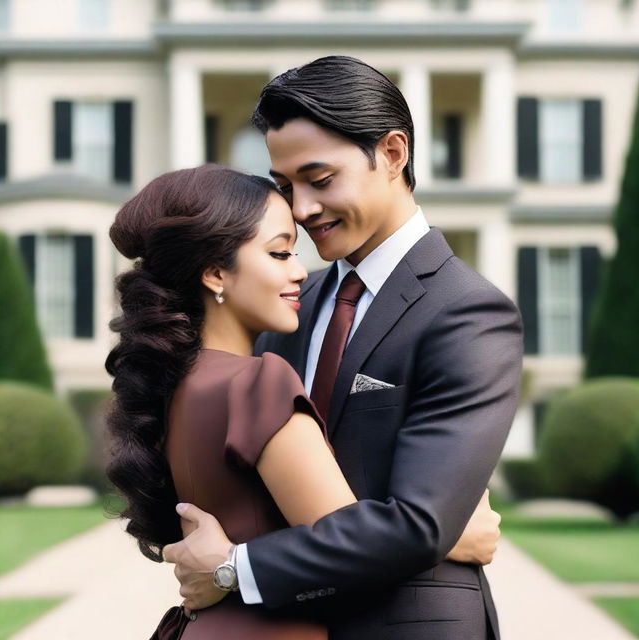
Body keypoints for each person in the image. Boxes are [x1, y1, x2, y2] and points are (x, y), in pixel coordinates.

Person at [163, 56, 523, 640]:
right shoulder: (287, 309)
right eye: (285, 187)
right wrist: (445, 535)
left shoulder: (468, 312)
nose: (301, 209)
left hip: (408, 625)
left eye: (320, 179)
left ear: (393, 154)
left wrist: (236, 569)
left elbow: (417, 524)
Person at [105, 164, 499, 640]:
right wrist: (449, 536)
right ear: (214, 274)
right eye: (279, 253)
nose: (299, 272)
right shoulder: (259, 382)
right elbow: (350, 548)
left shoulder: (177, 385)